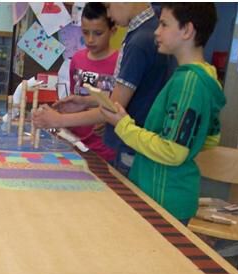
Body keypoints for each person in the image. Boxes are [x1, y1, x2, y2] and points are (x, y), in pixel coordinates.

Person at [100, 3, 224, 224]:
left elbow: (173, 151)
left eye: (164, 25)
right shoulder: (205, 76)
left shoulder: (189, 82)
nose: (156, 32)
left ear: (187, 30)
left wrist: (123, 125)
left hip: (163, 195)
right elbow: (210, 138)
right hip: (167, 191)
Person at [34, 3, 174, 174]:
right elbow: (124, 96)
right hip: (126, 143)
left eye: (108, 6)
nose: (108, 13)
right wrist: (85, 101)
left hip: (129, 147)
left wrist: (58, 120)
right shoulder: (140, 34)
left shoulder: (140, 40)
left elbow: (114, 107)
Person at [67, 2, 118, 162]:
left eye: (98, 33)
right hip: (74, 143)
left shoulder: (120, 63)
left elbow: (122, 105)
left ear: (113, 31)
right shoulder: (77, 59)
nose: (90, 39)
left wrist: (110, 123)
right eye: (85, 32)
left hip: (105, 150)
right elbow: (73, 97)